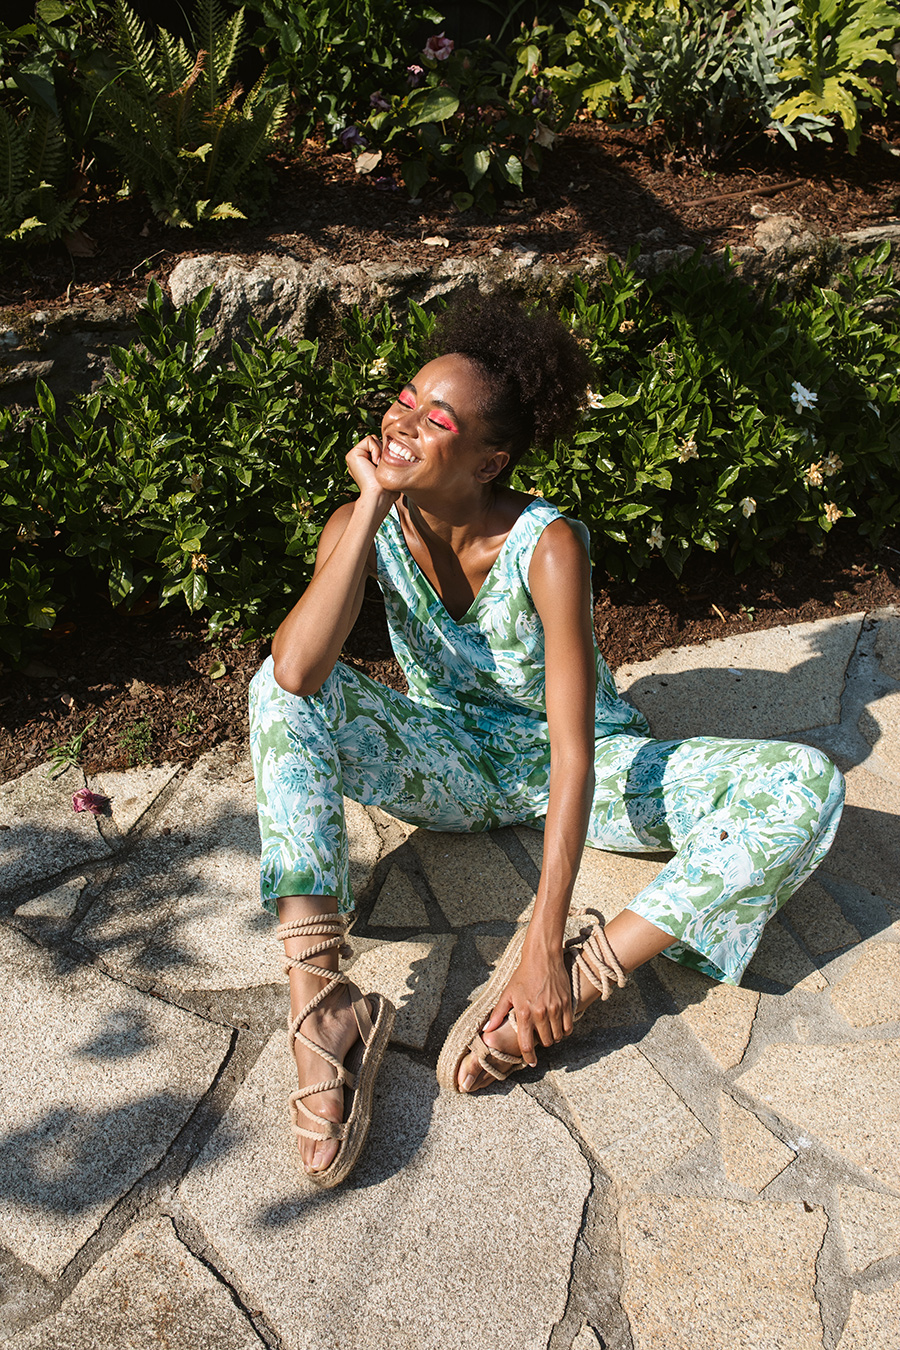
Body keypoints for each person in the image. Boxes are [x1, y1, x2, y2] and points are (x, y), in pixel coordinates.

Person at [249, 293, 845, 1187]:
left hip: (588, 764)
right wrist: (370, 505)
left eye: (435, 419)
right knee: (277, 687)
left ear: (490, 461)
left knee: (807, 784)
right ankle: (324, 1004)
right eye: (404, 399)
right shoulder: (363, 522)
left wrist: (542, 942)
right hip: (450, 760)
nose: (402, 422)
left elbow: (573, 750)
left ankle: (584, 976)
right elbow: (298, 672)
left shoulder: (548, 544)